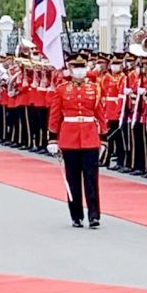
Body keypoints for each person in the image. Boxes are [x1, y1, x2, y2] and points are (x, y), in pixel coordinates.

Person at [47, 54, 107, 229]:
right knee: (72, 179)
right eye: (76, 67)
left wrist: (103, 139)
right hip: (69, 138)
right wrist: (52, 138)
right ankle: (76, 215)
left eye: (82, 67)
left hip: (89, 137)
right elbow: (55, 115)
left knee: (91, 178)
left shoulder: (95, 88)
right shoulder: (61, 89)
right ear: (71, 69)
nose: (80, 70)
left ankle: (94, 215)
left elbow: (100, 114)